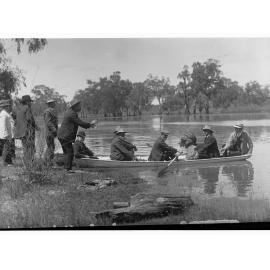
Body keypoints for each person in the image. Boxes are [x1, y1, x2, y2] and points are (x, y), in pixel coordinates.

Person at [57, 100, 97, 173]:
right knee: (69, 152)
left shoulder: (70, 112)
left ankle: (67, 169)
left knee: (67, 152)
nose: (80, 107)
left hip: (62, 135)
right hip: (65, 136)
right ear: (75, 106)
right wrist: (90, 125)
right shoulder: (72, 113)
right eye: (79, 105)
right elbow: (80, 122)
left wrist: (89, 125)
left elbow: (78, 122)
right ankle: (68, 170)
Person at [14, 95, 40, 166]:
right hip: (28, 132)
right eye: (29, 102)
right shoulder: (27, 108)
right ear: (27, 102)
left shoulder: (19, 109)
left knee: (25, 148)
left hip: (22, 133)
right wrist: (35, 126)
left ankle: (26, 164)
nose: (30, 103)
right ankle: (30, 165)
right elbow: (29, 119)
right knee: (30, 148)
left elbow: (16, 122)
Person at [0, 99, 15, 166]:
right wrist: (5, 135)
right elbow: (3, 125)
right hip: (6, 135)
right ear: (5, 106)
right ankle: (4, 162)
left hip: (8, 134)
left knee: (7, 148)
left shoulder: (5, 113)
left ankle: (8, 162)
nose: (9, 107)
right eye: (8, 106)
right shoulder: (4, 114)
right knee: (6, 149)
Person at [43, 100, 58, 165]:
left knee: (51, 147)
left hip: (51, 133)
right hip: (49, 133)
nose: (55, 104)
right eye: (53, 103)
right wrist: (54, 129)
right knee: (51, 147)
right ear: (50, 104)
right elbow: (48, 122)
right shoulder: (48, 112)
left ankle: (47, 162)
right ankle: (47, 162)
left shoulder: (51, 111)